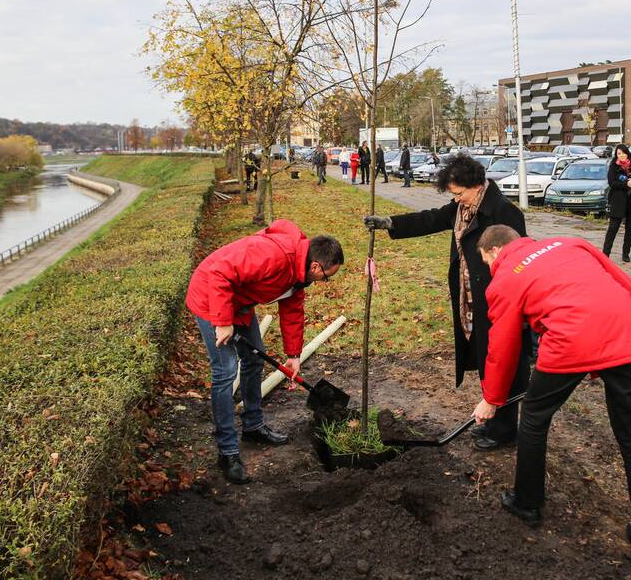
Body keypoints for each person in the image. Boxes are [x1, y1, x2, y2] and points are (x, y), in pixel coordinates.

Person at [471, 225, 631, 567]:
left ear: (495, 251)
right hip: (624, 332)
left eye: (487, 262)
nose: (489, 270)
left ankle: (527, 502)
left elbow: (502, 346)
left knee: (533, 417)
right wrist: (607, 342)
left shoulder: (505, 278)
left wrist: (492, 398)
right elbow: (629, 289)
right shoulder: (570, 242)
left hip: (570, 341)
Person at [363, 154, 529, 449]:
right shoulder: (462, 208)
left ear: (477, 185)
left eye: (459, 193)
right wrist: (390, 223)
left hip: (499, 299)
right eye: (452, 194)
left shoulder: (505, 212)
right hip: (471, 297)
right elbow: (430, 218)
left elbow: (520, 260)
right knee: (485, 356)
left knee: (505, 359)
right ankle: (492, 420)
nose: (456, 199)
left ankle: (505, 430)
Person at [186, 220, 344, 484]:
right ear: (316, 266)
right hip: (210, 297)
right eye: (327, 277)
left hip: (240, 302)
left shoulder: (299, 275)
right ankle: (227, 452)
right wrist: (223, 321)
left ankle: (253, 426)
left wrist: (293, 355)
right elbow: (219, 273)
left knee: (254, 357)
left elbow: (293, 312)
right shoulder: (272, 255)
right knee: (225, 372)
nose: (325, 282)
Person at [602, 144, 631, 263]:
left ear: (627, 153)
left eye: (623, 153)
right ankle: (605, 254)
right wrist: (625, 184)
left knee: (630, 229)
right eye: (618, 153)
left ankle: (626, 253)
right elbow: (612, 183)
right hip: (618, 201)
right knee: (613, 228)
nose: (621, 155)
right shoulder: (613, 166)